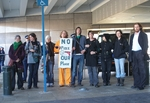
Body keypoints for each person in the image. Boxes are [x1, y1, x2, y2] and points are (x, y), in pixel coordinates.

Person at [129, 23, 149, 90]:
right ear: (133, 28)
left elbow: (145, 45)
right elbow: (130, 46)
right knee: (135, 70)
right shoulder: (132, 36)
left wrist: (143, 54)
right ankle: (136, 84)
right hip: (134, 53)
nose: (136, 28)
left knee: (142, 70)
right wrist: (130, 55)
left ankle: (142, 85)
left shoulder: (144, 35)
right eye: (135, 27)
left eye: (137, 27)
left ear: (140, 27)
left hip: (140, 53)